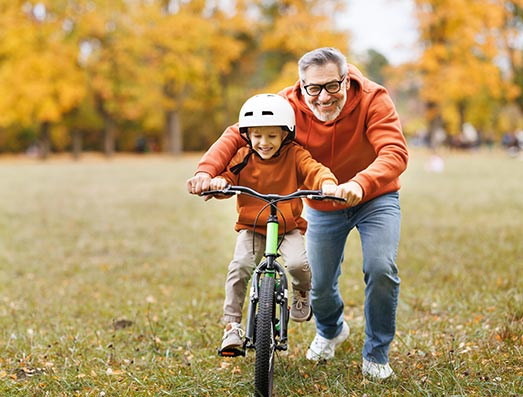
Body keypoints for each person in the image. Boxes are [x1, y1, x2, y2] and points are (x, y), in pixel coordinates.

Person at [187, 47, 408, 379]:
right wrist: (207, 171)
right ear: (302, 85)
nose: (323, 97)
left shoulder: (373, 99)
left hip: (374, 197)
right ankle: (331, 330)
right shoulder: (287, 102)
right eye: (313, 88)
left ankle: (376, 354)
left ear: (346, 79)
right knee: (317, 283)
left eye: (332, 86)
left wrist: (360, 184)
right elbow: (238, 134)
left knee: (380, 267)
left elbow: (394, 151)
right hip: (321, 203)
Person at [201, 93, 339, 354]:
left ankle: (300, 292)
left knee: (298, 264)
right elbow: (226, 177)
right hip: (252, 228)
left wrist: (327, 183)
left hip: (288, 227)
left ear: (285, 134)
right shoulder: (243, 156)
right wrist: (219, 183)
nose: (264, 143)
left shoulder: (295, 154)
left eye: (272, 136)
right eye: (257, 136)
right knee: (239, 267)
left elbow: (314, 170)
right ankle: (231, 327)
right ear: (248, 135)